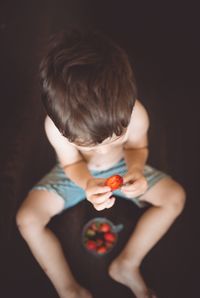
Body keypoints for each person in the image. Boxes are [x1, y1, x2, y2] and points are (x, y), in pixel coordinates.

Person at [16, 30, 186, 298]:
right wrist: (87, 183)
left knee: (175, 197)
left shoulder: (135, 115)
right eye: (90, 145)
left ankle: (127, 263)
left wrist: (137, 170)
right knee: (27, 219)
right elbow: (71, 164)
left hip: (123, 168)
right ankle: (68, 288)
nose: (104, 148)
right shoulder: (56, 129)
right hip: (76, 175)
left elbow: (137, 147)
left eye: (115, 137)